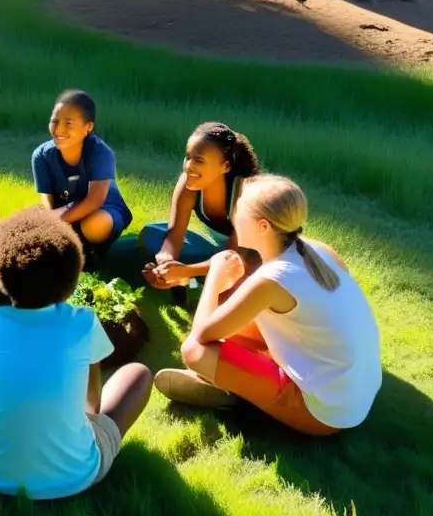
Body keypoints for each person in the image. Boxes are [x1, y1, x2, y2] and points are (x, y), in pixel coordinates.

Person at [0, 207, 152, 500]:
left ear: (1, 274)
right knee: (138, 374)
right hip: (79, 475)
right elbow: (92, 406)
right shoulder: (83, 322)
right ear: (72, 275)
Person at [154, 174, 382, 436]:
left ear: (263, 226)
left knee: (195, 351)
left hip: (326, 413)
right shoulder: (318, 250)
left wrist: (215, 275)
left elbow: (201, 336)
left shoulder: (271, 280)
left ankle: (240, 398)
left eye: (239, 210)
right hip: (356, 387)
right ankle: (237, 385)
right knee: (234, 326)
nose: (233, 218)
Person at [140, 122, 260, 304]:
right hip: (220, 250)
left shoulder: (244, 193)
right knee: (152, 235)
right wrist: (166, 261)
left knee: (239, 285)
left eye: (199, 160)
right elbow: (174, 236)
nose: (188, 166)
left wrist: (185, 271)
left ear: (225, 166)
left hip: (249, 257)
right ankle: (192, 281)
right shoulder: (189, 183)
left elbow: (233, 256)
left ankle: (193, 282)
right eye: (188, 157)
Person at [31, 89, 132, 263]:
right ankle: (70, 249)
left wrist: (50, 222)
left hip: (102, 211)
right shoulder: (41, 155)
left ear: (88, 127)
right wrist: (50, 219)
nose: (59, 129)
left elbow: (94, 201)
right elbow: (48, 205)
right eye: (54, 121)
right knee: (32, 217)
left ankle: (95, 253)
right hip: (65, 211)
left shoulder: (101, 153)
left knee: (94, 225)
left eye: (68, 123)